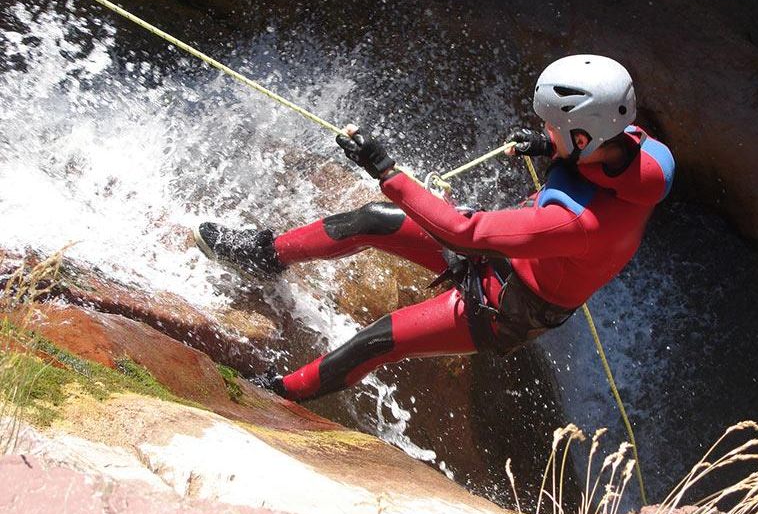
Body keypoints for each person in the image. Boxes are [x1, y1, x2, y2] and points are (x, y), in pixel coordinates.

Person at [194, 54, 675, 402]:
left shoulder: (577, 222)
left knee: (378, 340)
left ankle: (278, 395)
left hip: (506, 307)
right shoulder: (636, 146)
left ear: (584, 135)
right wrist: (550, 148)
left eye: (550, 126)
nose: (543, 129)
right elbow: (591, 166)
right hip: (509, 258)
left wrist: (387, 172)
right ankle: (265, 254)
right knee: (370, 222)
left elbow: (462, 233)